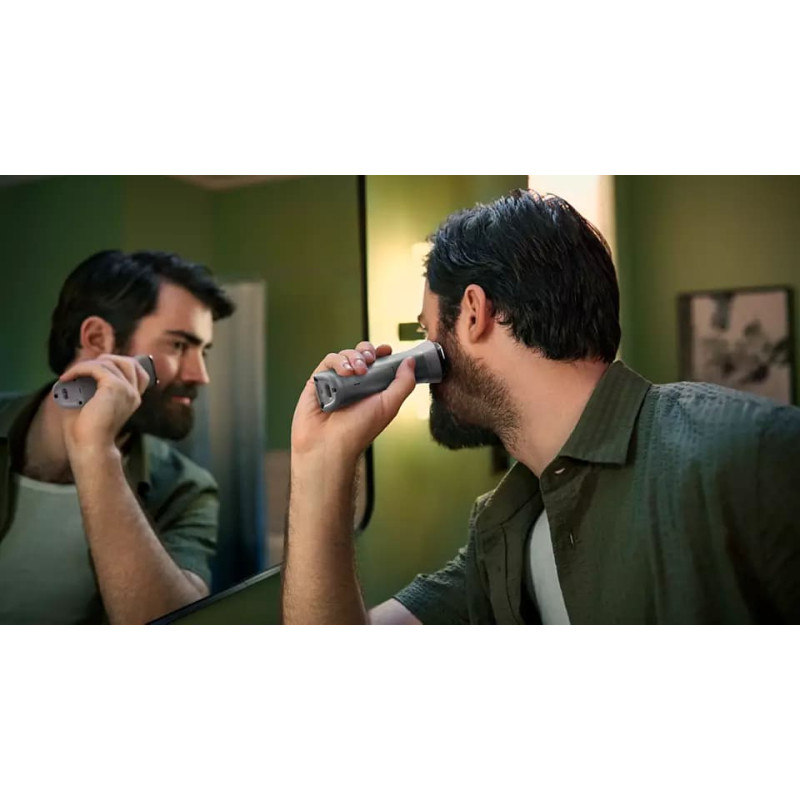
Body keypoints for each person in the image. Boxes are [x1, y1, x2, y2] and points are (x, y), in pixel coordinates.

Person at [282, 190, 800, 624]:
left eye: (426, 329)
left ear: (473, 312)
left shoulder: (744, 451)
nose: (422, 351)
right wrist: (318, 461)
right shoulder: (501, 534)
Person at [0, 250, 235, 624]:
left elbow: (174, 632)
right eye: (178, 345)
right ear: (97, 338)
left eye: (203, 351)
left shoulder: (185, 489)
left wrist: (97, 450)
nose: (200, 375)